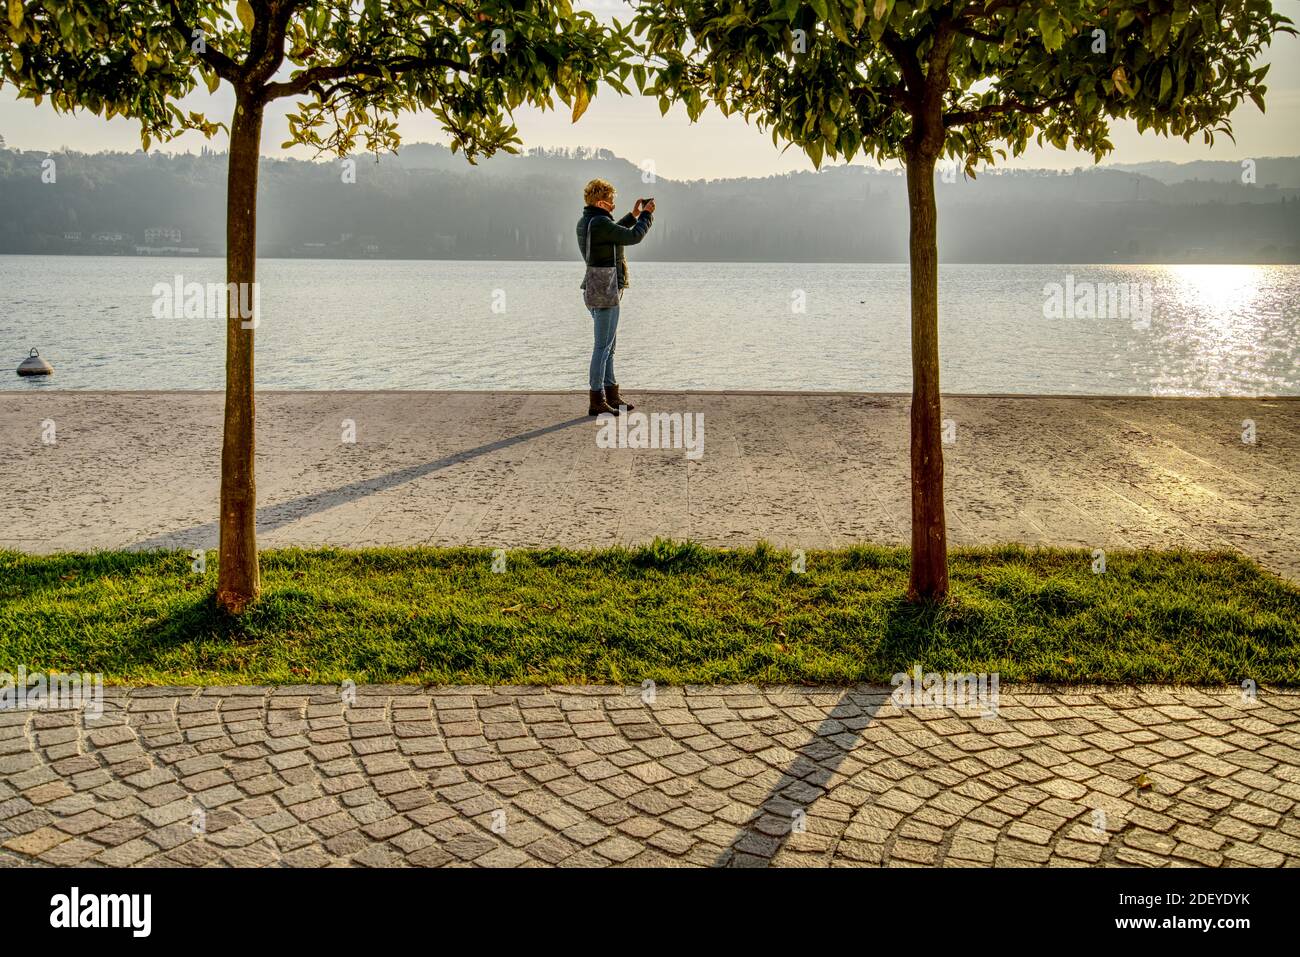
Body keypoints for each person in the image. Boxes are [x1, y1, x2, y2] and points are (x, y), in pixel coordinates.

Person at [576, 178, 654, 416]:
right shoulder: (599, 223)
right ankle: (596, 400)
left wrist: (632, 215)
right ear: (601, 201)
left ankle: (611, 394)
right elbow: (632, 237)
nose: (612, 205)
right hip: (605, 289)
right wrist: (646, 216)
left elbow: (615, 233)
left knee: (609, 346)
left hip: (594, 287)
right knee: (602, 346)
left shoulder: (589, 221)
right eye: (610, 201)